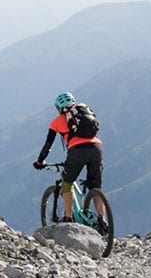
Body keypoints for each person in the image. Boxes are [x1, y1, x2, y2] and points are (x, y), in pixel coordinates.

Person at [32, 91, 103, 221]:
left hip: (78, 151)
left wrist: (39, 161)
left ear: (59, 108)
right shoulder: (85, 114)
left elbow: (48, 145)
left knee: (67, 182)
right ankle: (103, 221)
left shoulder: (57, 121)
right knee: (95, 187)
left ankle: (68, 218)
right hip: (97, 148)